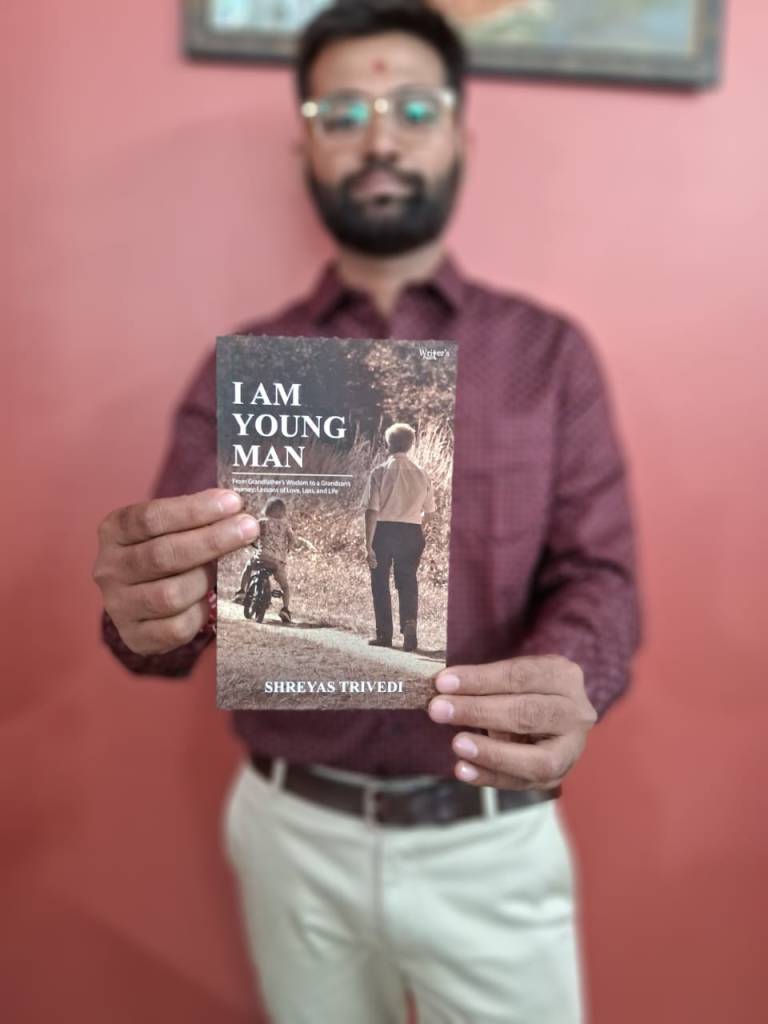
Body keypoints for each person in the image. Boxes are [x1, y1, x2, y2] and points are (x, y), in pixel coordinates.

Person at [91, 2, 641, 1021]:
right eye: (341, 112)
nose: (379, 138)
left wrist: (577, 674)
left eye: (413, 109)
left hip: (491, 836)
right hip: (292, 834)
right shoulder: (244, 371)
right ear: (305, 144)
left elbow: (598, 575)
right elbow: (170, 624)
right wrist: (144, 614)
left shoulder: (548, 356)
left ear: (459, 134)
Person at [362, 421, 435, 650]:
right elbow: (430, 512)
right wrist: (415, 521)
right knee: (408, 579)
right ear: (411, 445)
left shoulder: (379, 472)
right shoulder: (421, 473)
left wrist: (368, 545)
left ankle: (384, 634)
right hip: (412, 531)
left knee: (380, 582)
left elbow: (371, 511)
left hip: (384, 531)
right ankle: (409, 623)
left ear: (388, 444)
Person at [235, 497, 295, 623]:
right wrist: (289, 548)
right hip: (278, 562)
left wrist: (252, 542)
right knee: (285, 587)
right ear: (283, 511)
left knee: (248, 567)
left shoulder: (262, 522)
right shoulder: (286, 525)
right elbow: (292, 539)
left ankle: (241, 592)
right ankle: (285, 609)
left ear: (267, 509)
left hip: (261, 558)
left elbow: (252, 534)